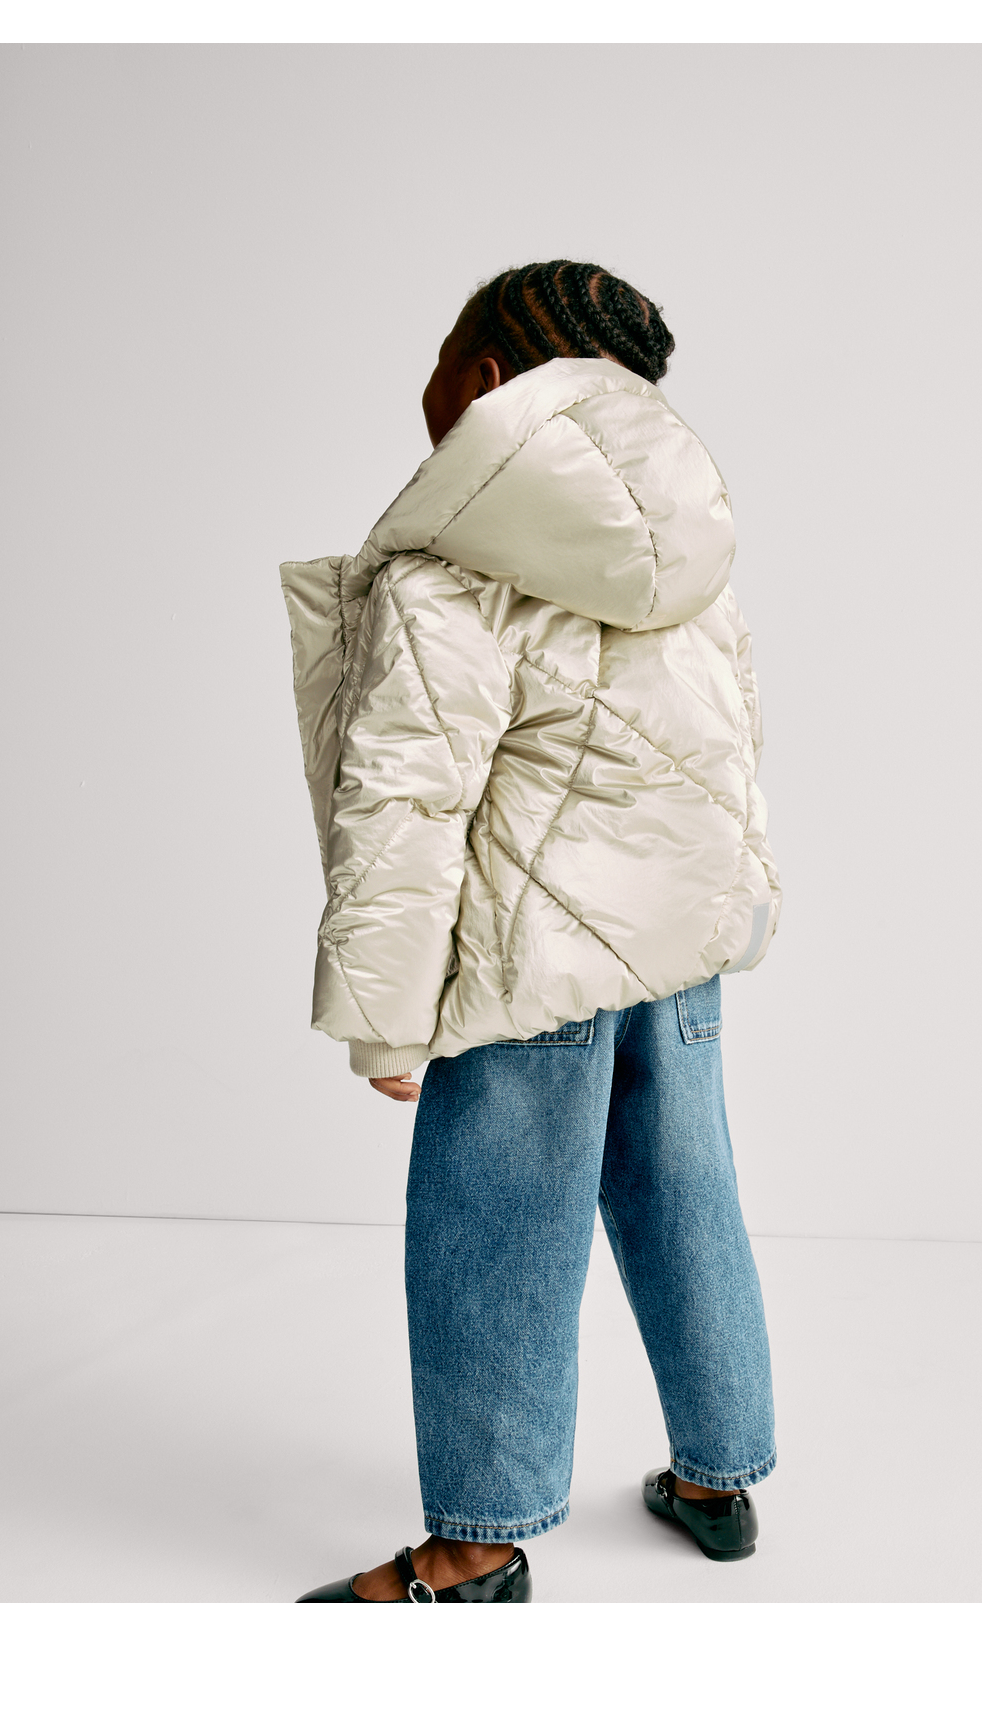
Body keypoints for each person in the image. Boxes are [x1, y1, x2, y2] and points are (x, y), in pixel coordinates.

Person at [282, 261, 781, 1603]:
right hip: (677, 951)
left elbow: (407, 804)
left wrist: (386, 1012)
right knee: (688, 1195)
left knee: (494, 1232)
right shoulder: (696, 549)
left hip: (529, 969)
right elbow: (732, 747)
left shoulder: (454, 570)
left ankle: (474, 1547)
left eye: (439, 372)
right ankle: (719, 1475)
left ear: (490, 380)